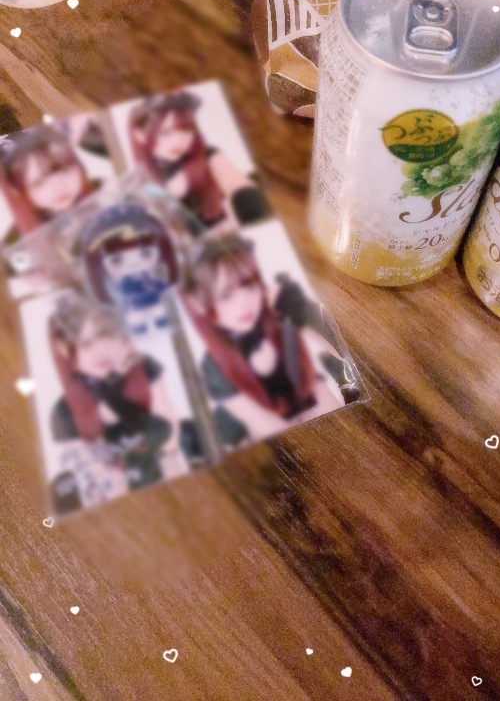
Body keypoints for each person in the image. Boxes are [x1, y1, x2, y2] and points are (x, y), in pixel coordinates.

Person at [180, 233, 359, 449]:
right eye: (226, 295)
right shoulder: (216, 368)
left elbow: (322, 395)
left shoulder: (280, 330)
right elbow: (271, 431)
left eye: (249, 286)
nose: (244, 302)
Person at [48, 292, 203, 510]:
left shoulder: (143, 369)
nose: (101, 351)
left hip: (165, 483)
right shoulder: (64, 413)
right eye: (87, 343)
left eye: (106, 335)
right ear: (65, 348)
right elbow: (104, 482)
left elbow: (169, 441)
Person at [128, 91, 272, 233]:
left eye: (185, 130)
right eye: (166, 132)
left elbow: (244, 193)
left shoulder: (207, 157)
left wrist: (241, 208)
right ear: (140, 135)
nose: (178, 141)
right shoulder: (138, 186)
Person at [81, 202, 180, 335]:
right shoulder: (125, 283)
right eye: (116, 260)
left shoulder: (147, 277)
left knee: (158, 313)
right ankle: (141, 328)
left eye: (146, 253)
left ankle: (160, 322)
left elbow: (156, 284)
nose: (134, 264)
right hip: (135, 306)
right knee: (137, 319)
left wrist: (161, 285)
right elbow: (125, 292)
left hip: (153, 301)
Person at [0, 124, 98, 243]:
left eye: (66, 169)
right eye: (38, 183)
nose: (58, 186)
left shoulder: (104, 193)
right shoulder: (16, 241)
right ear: (20, 189)